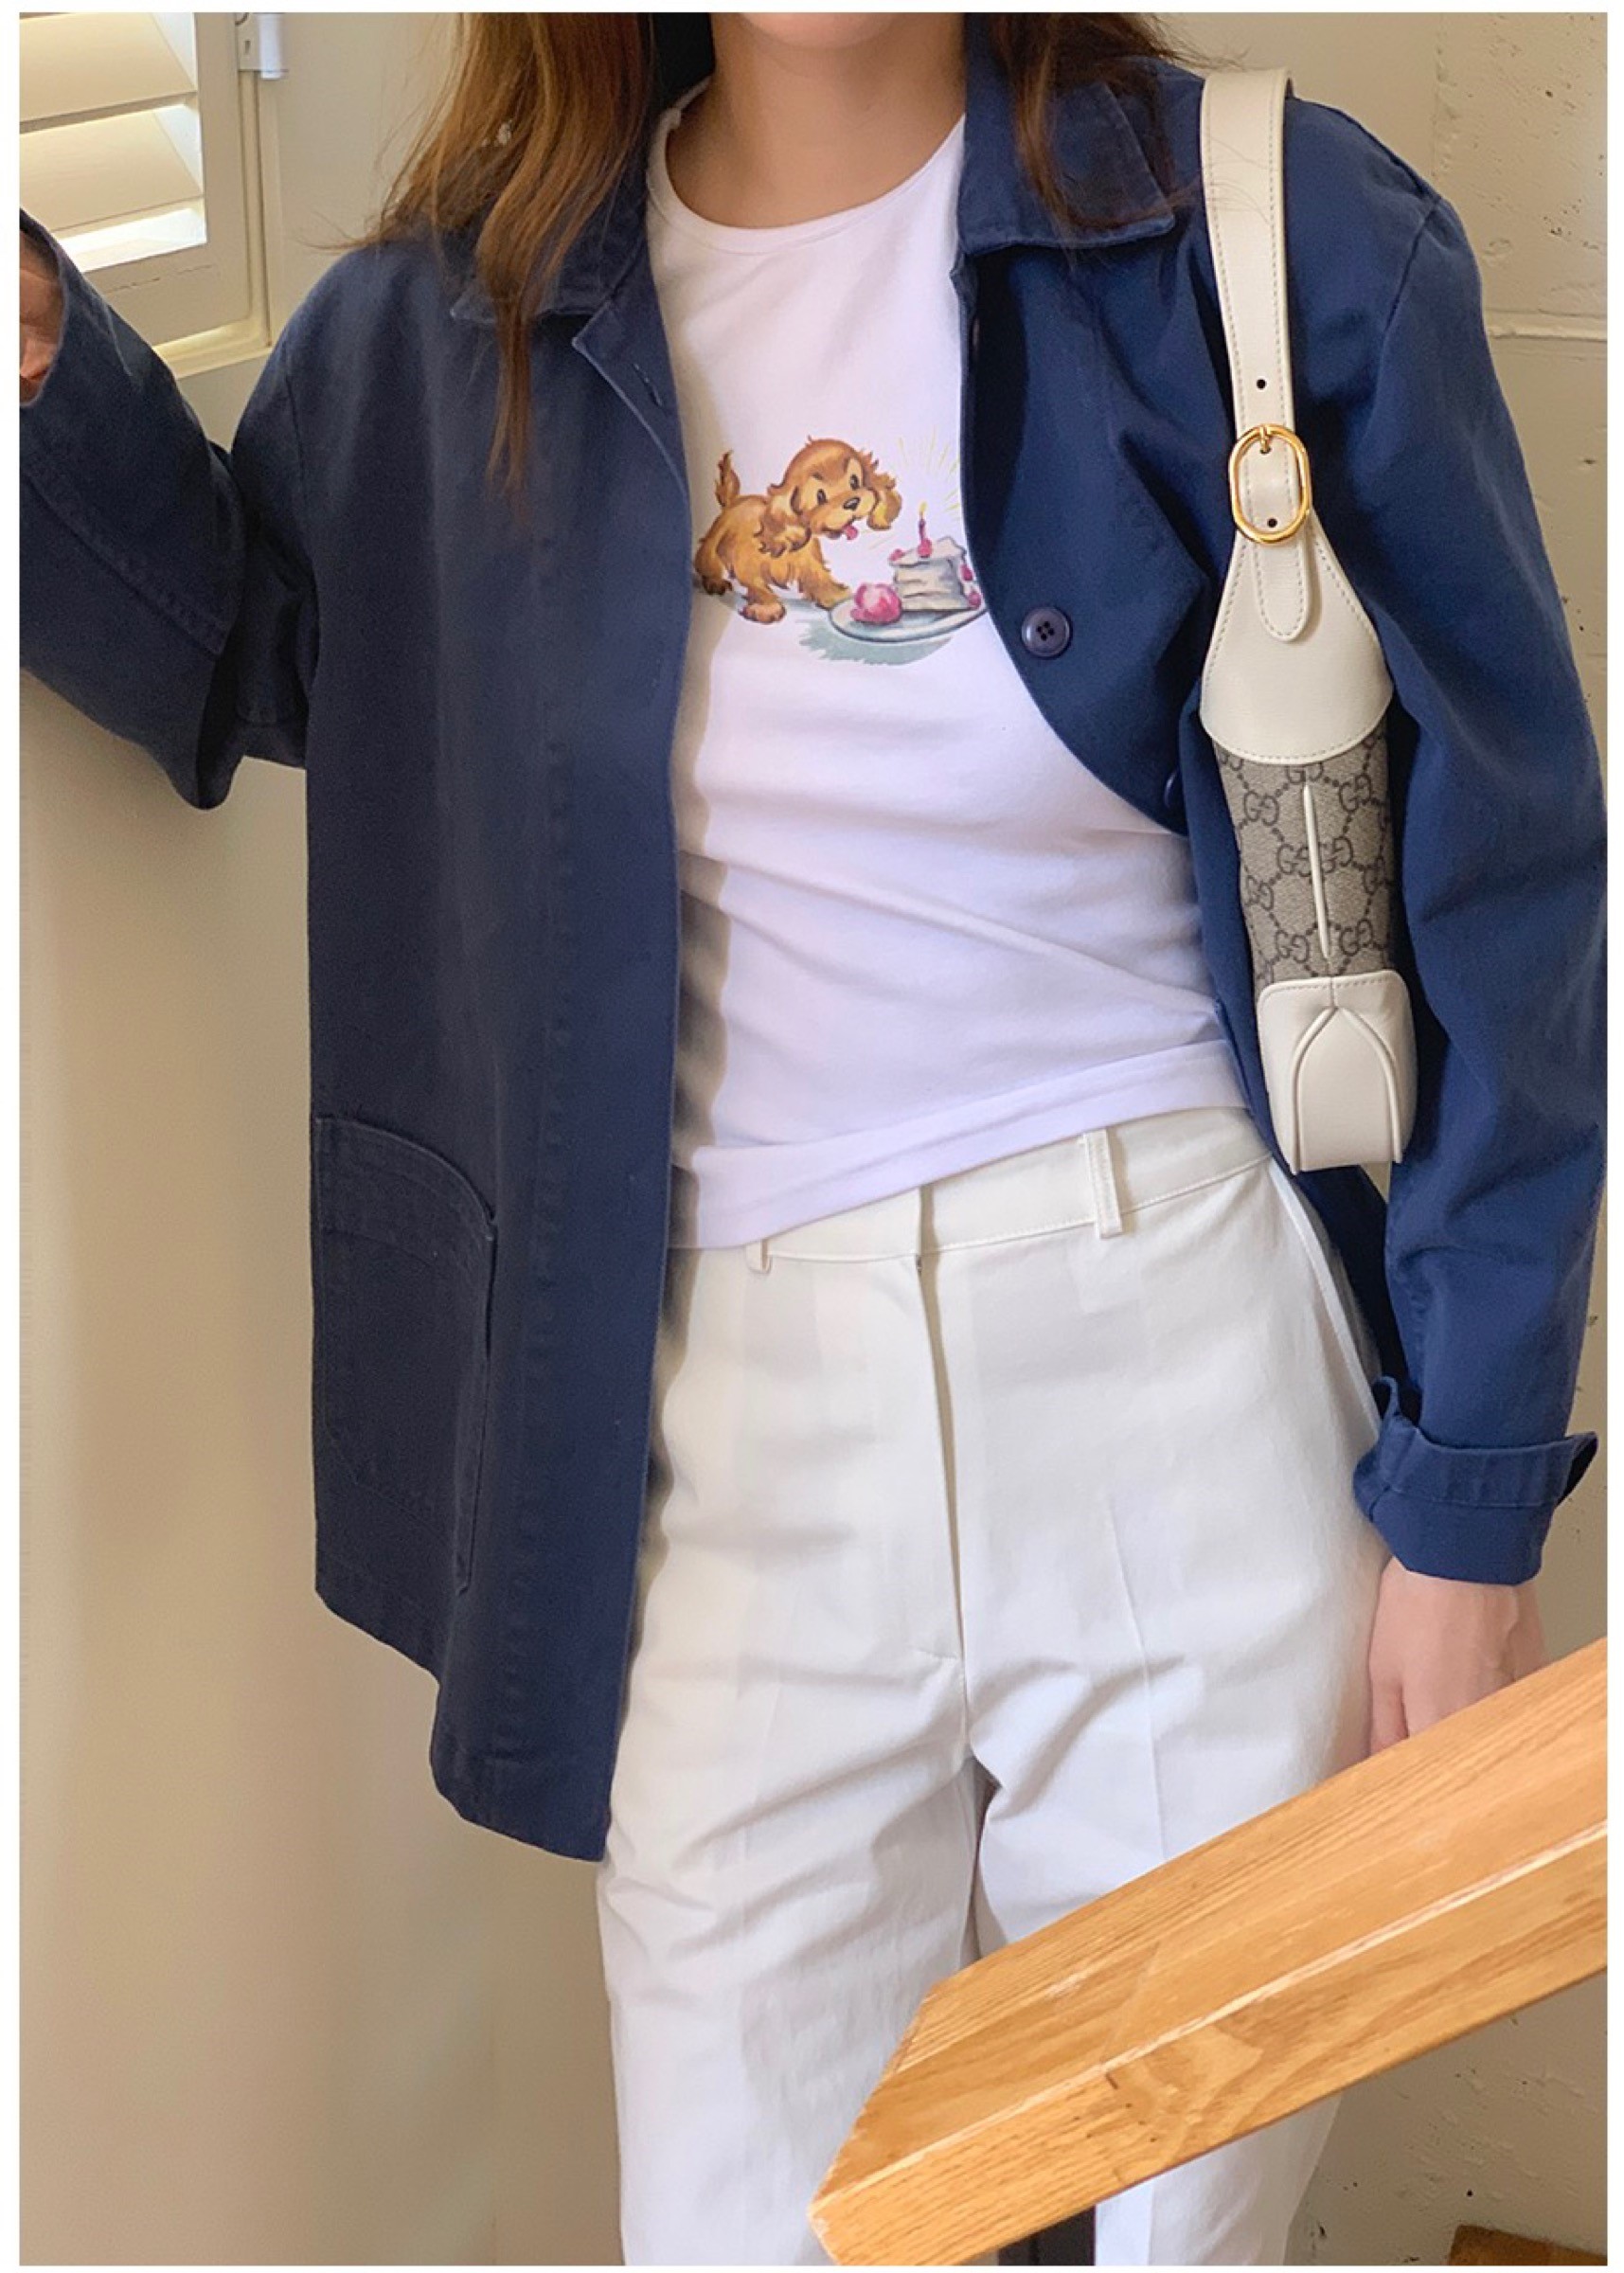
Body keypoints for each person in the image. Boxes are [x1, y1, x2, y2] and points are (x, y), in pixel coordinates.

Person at [19, 12, 1604, 2265]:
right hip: (720, 1419)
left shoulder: (1276, 231)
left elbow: (1510, 893)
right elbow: (244, 645)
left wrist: (1469, 1510)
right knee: (759, 2225)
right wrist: (42, 349)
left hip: (1179, 1350)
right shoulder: (466, 316)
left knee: (1182, 2216)